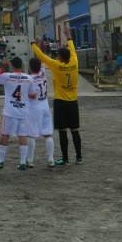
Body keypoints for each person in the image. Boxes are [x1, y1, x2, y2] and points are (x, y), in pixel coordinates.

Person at [32, 27, 82, 165]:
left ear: (60, 57)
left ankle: (65, 158)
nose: (57, 57)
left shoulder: (56, 66)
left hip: (60, 101)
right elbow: (72, 50)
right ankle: (79, 157)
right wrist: (69, 36)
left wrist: (34, 45)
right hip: (73, 102)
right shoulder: (74, 62)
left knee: (62, 131)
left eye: (58, 55)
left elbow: (42, 57)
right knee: (75, 130)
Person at [0, 56, 34, 171]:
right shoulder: (29, 78)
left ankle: (1, 161)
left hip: (10, 111)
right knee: (22, 136)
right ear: (21, 65)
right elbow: (33, 95)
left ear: (12, 66)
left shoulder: (7, 76)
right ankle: (22, 163)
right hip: (23, 111)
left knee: (5, 135)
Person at [26, 57, 55, 168]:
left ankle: (30, 160)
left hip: (35, 107)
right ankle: (51, 159)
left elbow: (32, 95)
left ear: (30, 67)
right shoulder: (43, 73)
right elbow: (42, 62)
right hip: (45, 105)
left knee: (31, 134)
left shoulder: (30, 78)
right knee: (48, 134)